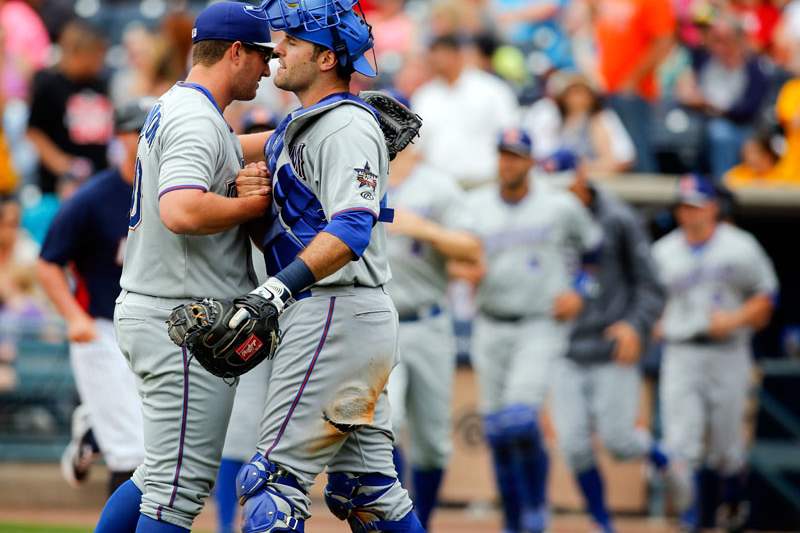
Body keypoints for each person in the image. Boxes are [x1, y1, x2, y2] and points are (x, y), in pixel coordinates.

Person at [219, 2, 424, 531]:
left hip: (334, 310)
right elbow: (222, 151)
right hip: (344, 314)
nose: (277, 48)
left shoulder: (344, 125)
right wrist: (167, 142)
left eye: (291, 40)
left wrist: (274, 292)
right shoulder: (302, 125)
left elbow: (352, 228)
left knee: (272, 486)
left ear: (327, 56)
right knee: (367, 492)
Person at [92, 3, 276, 532]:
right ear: (236, 51)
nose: (267, 69)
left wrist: (296, 130)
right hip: (180, 321)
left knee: (158, 477)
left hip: (161, 309)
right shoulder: (197, 117)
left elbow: (221, 151)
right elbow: (181, 209)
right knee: (178, 490)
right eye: (261, 56)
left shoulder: (182, 105)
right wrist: (250, 207)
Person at [456, 128, 602, 533]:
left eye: (516, 155)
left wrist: (581, 291)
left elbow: (594, 250)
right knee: (497, 429)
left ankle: (536, 506)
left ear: (531, 162)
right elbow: (458, 255)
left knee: (520, 418)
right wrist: (465, 268)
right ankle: (515, 516)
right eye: (503, 154)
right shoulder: (475, 206)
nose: (508, 162)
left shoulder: (559, 205)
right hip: (491, 322)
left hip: (540, 323)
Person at [551, 162, 691, 533]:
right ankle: (602, 521)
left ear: (581, 179)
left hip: (610, 343)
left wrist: (635, 325)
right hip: (562, 347)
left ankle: (663, 458)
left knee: (620, 440)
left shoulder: (618, 218)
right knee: (574, 446)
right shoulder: (543, 214)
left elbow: (651, 285)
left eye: (563, 183)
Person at [36, 99, 153, 496]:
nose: (149, 139)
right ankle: (100, 435)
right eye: (139, 132)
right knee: (132, 456)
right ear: (120, 137)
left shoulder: (170, 192)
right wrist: (74, 318)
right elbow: (48, 263)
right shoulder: (93, 198)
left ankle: (94, 432)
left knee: (153, 447)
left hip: (150, 330)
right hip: (100, 329)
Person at [652, 174, 778, 533]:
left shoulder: (740, 246)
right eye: (683, 206)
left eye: (695, 206)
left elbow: (767, 295)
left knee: (726, 449)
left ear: (712, 207)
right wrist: (654, 322)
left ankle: (731, 508)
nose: (688, 214)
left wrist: (737, 318)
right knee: (681, 446)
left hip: (728, 351)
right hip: (681, 352)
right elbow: (648, 301)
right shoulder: (663, 251)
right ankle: (691, 519)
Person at [384, 99, 482, 530]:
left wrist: (422, 227)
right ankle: (397, 518)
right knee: (387, 424)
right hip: (379, 321)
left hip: (428, 319)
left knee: (432, 443)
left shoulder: (437, 186)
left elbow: (472, 248)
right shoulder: (360, 178)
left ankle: (423, 517)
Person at [412, 33, 519, 188]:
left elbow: (510, 133)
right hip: (441, 185)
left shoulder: (491, 90)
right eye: (433, 54)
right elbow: (417, 147)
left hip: (485, 181)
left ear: (458, 55)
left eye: (443, 53)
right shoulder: (424, 96)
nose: (437, 60)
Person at [26, 19, 113, 195]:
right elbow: (34, 131)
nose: (99, 61)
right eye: (95, 54)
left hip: (98, 178)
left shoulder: (100, 84)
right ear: (76, 51)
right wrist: (61, 164)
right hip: (59, 185)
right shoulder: (49, 84)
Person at [593, 0, 676, 173]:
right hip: (604, 90)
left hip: (634, 94)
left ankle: (648, 198)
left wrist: (632, 81)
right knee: (612, 153)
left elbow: (664, 40)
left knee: (639, 152)